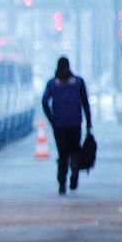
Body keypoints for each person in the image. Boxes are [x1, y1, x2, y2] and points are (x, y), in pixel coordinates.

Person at [41, 54, 93, 194]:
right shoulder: (78, 82)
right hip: (75, 124)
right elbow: (85, 104)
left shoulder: (52, 84)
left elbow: (44, 101)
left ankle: (62, 182)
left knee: (62, 154)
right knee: (75, 152)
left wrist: (52, 118)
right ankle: (74, 175)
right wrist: (89, 122)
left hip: (59, 125)